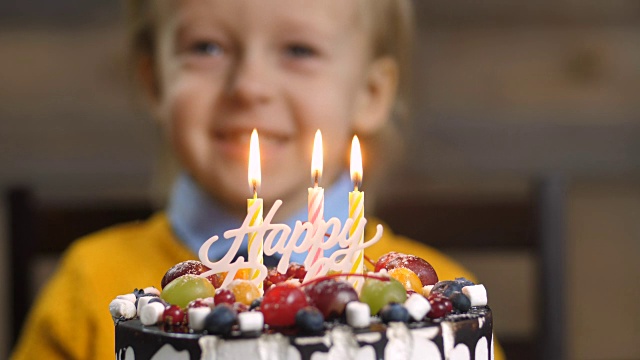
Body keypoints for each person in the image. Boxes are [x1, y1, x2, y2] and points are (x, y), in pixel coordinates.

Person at [12, 1, 505, 359]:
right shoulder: (89, 288)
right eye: (207, 47)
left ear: (371, 92)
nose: (249, 86)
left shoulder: (434, 300)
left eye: (299, 49)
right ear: (154, 82)